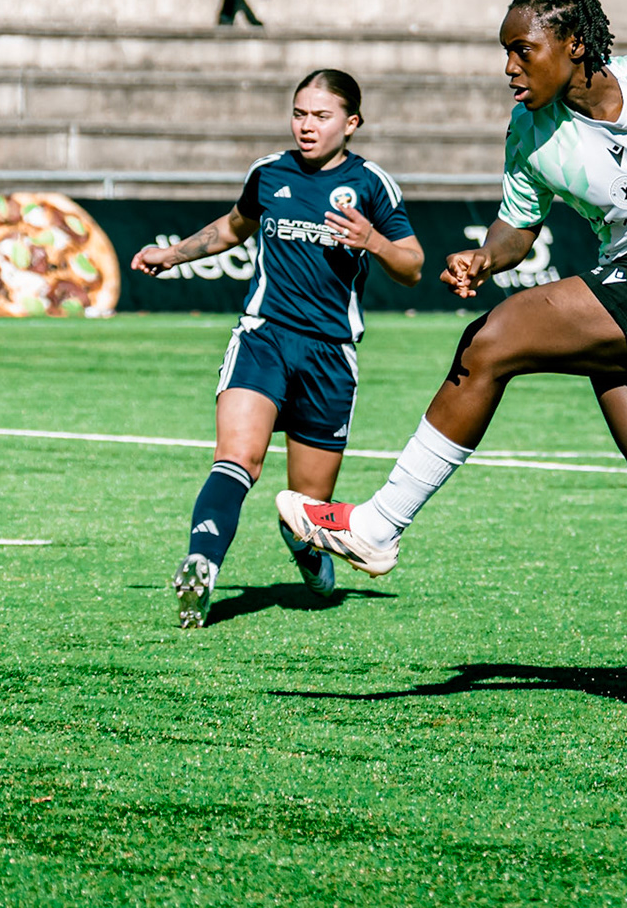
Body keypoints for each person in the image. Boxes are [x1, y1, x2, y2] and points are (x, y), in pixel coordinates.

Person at [275, 0, 627, 726]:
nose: (509, 67)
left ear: (574, 47)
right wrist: (486, 259)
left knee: (492, 341)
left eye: (522, 50)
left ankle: (379, 525)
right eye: (505, 51)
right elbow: (519, 225)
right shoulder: (530, 131)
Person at [132, 69, 423, 628]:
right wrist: (171, 255)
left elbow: (412, 266)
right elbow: (234, 227)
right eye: (299, 113)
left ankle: (311, 561)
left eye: (321, 116)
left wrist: (375, 242)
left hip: (330, 356)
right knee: (237, 459)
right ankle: (202, 565)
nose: (306, 126)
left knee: (305, 511)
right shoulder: (269, 173)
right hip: (262, 336)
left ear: (351, 123)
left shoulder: (372, 185)